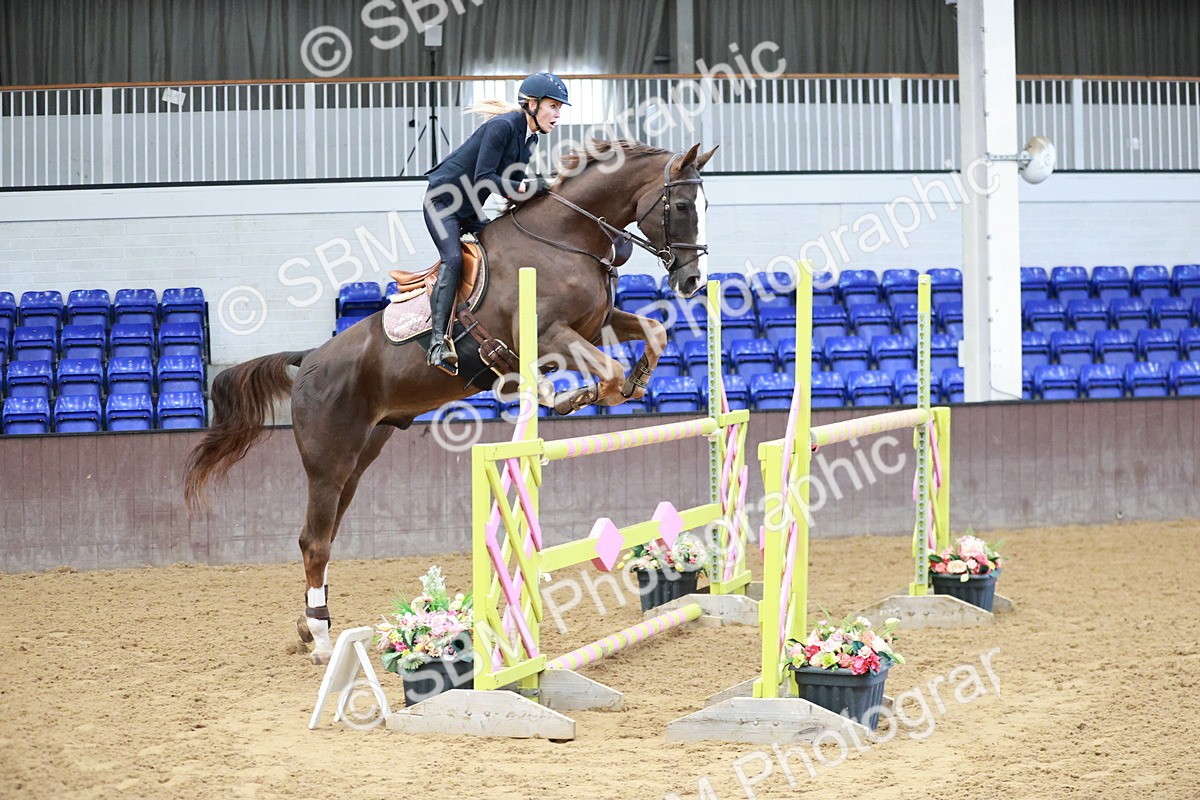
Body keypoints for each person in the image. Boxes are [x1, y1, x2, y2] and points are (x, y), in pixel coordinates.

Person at [422, 71, 569, 375]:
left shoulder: (529, 138)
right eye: (553, 106)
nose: (557, 114)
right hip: (442, 205)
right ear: (532, 104)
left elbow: (513, 186)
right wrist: (534, 186)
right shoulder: (502, 127)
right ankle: (438, 343)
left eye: (559, 108)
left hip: (471, 207)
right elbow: (485, 178)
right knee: (452, 260)